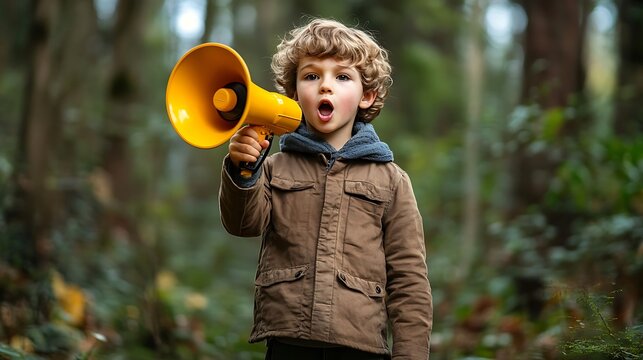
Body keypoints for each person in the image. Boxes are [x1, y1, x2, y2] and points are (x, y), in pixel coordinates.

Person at [219, 18, 432, 360]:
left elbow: (409, 279)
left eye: (342, 76)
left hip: (360, 346)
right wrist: (244, 171)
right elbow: (243, 224)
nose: (325, 87)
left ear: (368, 96)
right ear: (293, 93)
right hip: (287, 343)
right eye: (311, 75)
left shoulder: (391, 180)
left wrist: (411, 355)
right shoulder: (273, 168)